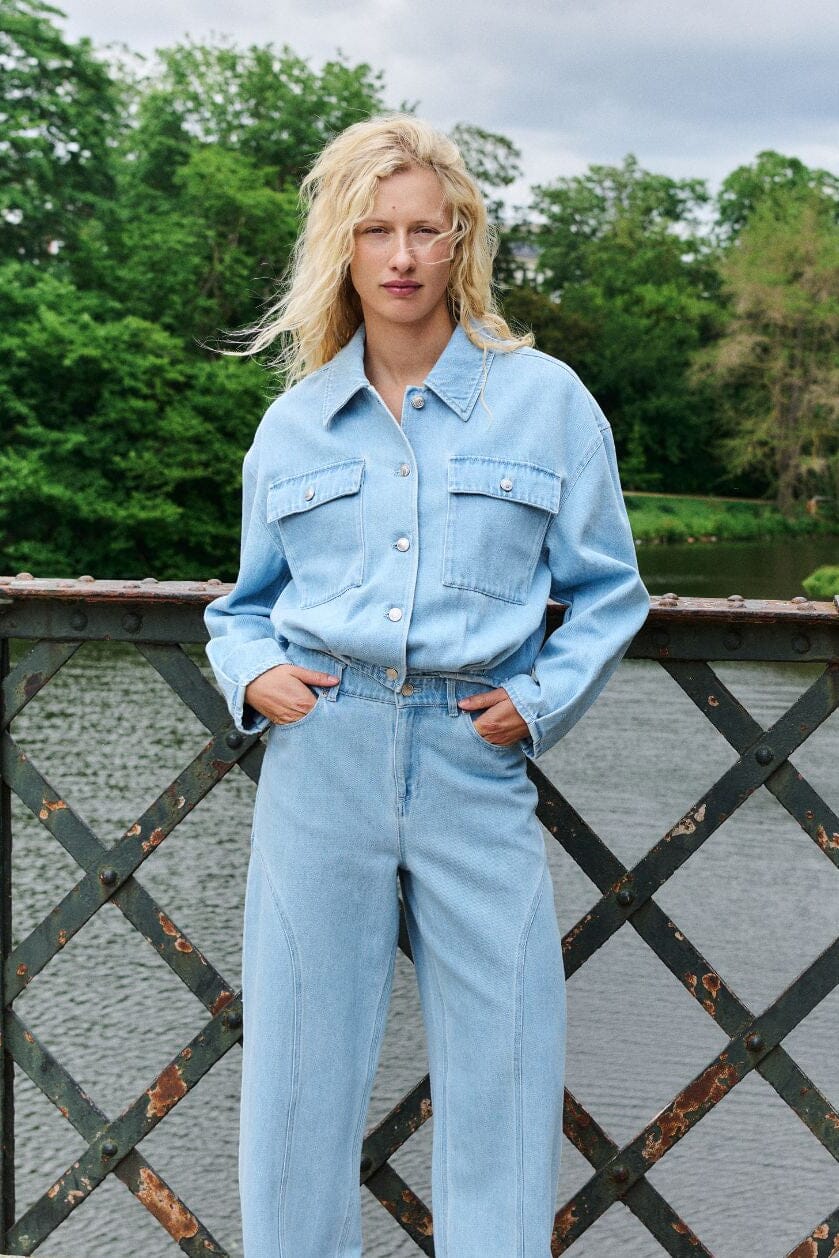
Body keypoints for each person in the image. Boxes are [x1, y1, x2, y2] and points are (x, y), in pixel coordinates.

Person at [203, 112, 650, 1258]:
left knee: (505, 1068)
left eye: (423, 230)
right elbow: (241, 605)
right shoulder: (294, 425)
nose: (400, 256)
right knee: (296, 1084)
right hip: (324, 755)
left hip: (473, 756)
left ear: (460, 242)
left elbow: (608, 591)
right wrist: (257, 675)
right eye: (374, 231)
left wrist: (535, 703)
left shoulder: (546, 401)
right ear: (342, 249)